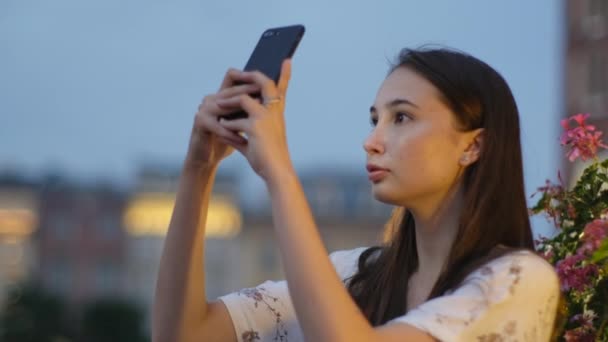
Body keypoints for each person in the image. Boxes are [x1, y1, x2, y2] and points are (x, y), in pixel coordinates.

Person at [152, 47, 560, 342]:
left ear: (473, 146)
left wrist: (279, 173)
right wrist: (199, 168)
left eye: (401, 117)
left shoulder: (518, 281)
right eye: (373, 119)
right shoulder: (359, 277)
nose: (372, 141)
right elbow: (185, 334)